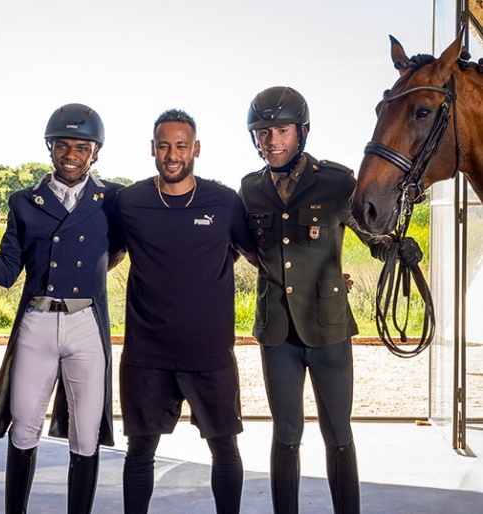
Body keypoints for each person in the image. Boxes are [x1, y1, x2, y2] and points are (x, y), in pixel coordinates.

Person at [238, 86, 423, 514]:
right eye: (262, 133)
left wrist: (396, 248)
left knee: (338, 433)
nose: (271, 142)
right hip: (277, 331)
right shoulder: (249, 190)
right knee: (286, 434)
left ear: (301, 132)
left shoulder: (338, 181)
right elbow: (241, 246)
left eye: (280, 131)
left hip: (329, 327)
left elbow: (371, 234)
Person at [0, 103, 124, 514]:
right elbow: (8, 270)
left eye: (81, 147)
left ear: (95, 152)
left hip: (86, 324)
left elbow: (129, 245)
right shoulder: (24, 202)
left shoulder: (113, 199)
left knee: (85, 435)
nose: (71, 155)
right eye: (62, 145)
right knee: (24, 429)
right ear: (50, 148)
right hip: (38, 324)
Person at [115, 109, 257, 514]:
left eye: (181, 145)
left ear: (196, 149)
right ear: (153, 149)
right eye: (164, 145)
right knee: (139, 452)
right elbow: (101, 255)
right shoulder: (130, 202)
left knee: (225, 449)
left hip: (209, 353)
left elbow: (259, 256)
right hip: (147, 354)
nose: (172, 154)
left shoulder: (224, 201)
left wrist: (324, 274)